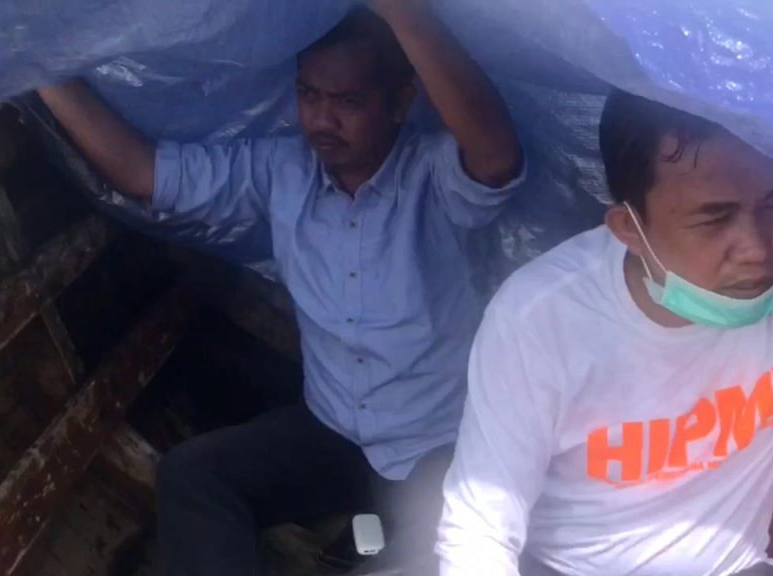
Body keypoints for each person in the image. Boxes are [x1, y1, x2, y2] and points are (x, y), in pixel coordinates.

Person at [37, 1, 524, 575]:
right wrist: (38, 68)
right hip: (333, 430)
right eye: (308, 95)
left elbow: (497, 156)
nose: (322, 120)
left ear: (400, 102)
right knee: (193, 476)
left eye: (348, 102)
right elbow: (146, 174)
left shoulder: (435, 176)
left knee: (432, 561)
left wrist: (404, 15)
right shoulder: (282, 171)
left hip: (437, 446)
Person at [436, 90, 773, 575]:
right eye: (715, 217)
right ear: (628, 228)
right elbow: (478, 529)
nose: (757, 249)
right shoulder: (540, 321)